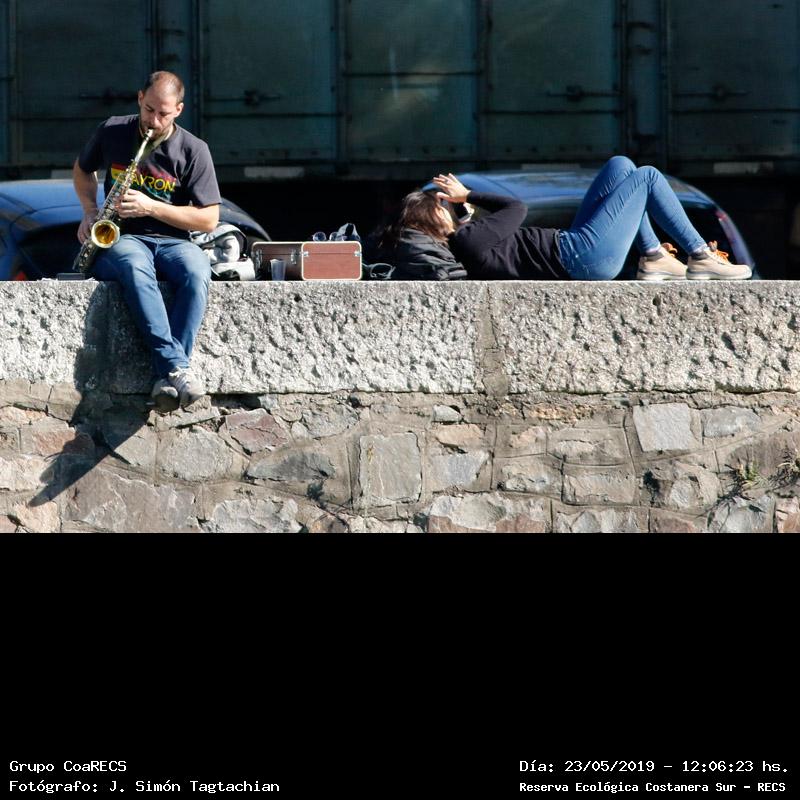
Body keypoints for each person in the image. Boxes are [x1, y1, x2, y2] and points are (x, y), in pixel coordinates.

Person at [73, 70, 221, 411]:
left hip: (174, 240)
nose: (153, 121)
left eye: (163, 113)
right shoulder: (113, 130)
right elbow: (82, 170)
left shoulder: (194, 149)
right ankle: (177, 368)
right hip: (124, 236)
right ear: (140, 98)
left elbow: (209, 218)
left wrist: (151, 206)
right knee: (135, 266)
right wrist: (89, 210)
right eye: (149, 109)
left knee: (197, 273)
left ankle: (167, 374)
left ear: (179, 110)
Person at [388, 156, 752, 282]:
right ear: (435, 220)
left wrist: (464, 210)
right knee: (647, 177)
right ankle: (700, 255)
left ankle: (653, 255)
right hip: (584, 257)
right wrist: (468, 195)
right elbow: (516, 208)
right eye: (443, 206)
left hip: (577, 248)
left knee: (621, 166)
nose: (450, 205)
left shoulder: (469, 238)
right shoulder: (466, 242)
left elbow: (499, 219)